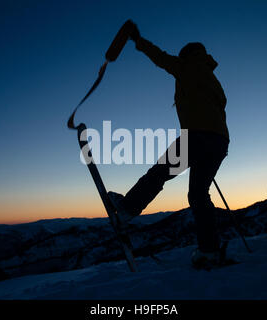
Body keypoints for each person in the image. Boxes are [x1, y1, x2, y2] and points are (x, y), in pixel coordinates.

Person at [108, 20, 230, 268]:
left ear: (187, 55)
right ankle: (209, 251)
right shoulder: (211, 77)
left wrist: (138, 41)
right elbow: (220, 107)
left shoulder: (186, 66)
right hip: (219, 141)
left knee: (161, 172)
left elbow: (160, 57)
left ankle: (129, 208)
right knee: (198, 194)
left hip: (197, 137)